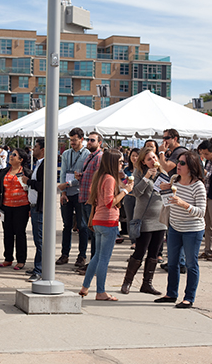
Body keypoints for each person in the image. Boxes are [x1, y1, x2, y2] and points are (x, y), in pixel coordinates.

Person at [79, 149, 133, 301]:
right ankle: (100, 291)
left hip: (99, 220)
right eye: (120, 161)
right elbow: (110, 202)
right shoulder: (109, 178)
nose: (123, 164)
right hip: (108, 221)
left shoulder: (100, 176)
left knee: (97, 256)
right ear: (113, 162)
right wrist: (126, 191)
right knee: (103, 258)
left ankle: (85, 287)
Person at [154, 151, 206, 308]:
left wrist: (183, 204)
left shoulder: (198, 186)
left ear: (191, 166)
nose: (178, 165)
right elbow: (167, 201)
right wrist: (163, 190)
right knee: (172, 262)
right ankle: (171, 293)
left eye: (182, 163)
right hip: (175, 226)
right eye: (178, 162)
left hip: (192, 229)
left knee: (191, 264)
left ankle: (189, 297)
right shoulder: (174, 180)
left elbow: (201, 212)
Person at [121, 147, 167, 295]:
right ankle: (127, 282)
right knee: (140, 251)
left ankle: (147, 284)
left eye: (154, 157)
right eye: (149, 159)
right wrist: (147, 177)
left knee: (154, 253)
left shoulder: (163, 174)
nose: (153, 161)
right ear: (143, 162)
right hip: (144, 218)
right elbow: (136, 192)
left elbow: (167, 193)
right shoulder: (139, 173)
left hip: (160, 218)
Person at [56, 128, 90, 266]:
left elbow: (85, 177)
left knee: (82, 226)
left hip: (80, 193)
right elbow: (63, 173)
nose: (72, 143)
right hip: (67, 193)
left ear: (81, 139)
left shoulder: (87, 154)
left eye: (75, 140)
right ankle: (65, 254)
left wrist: (68, 184)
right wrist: (63, 191)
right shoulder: (66, 154)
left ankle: (82, 255)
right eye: (71, 140)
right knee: (67, 225)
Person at [0, 148, 32, 270]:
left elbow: (31, 191)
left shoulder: (27, 173)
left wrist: (31, 207)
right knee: (7, 233)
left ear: (21, 160)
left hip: (22, 207)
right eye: (11, 154)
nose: (11, 156)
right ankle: (8, 258)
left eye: (14, 155)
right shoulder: (3, 172)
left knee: (20, 233)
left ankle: (21, 260)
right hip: (6, 207)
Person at [157, 129, 188, 272]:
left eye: (167, 138)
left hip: (178, 192)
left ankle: (179, 263)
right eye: (163, 137)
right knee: (173, 227)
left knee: (175, 227)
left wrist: (161, 152)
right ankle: (177, 261)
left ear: (175, 138)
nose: (164, 140)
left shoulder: (179, 152)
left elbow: (166, 166)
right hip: (175, 190)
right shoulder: (175, 152)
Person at [75, 131, 104, 274]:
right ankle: (92, 263)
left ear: (99, 143)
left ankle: (94, 264)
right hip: (85, 197)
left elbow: (99, 178)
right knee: (89, 231)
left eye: (92, 140)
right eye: (88, 139)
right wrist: (81, 176)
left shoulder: (99, 157)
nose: (89, 142)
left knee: (94, 233)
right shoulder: (90, 156)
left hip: (91, 199)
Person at [22, 140, 45, 282]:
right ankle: (38, 266)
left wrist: (28, 181)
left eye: (35, 147)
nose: (33, 149)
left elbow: (43, 186)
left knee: (40, 240)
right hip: (35, 206)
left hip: (40, 207)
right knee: (37, 239)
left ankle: (40, 270)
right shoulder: (39, 164)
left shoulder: (45, 165)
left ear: (43, 149)